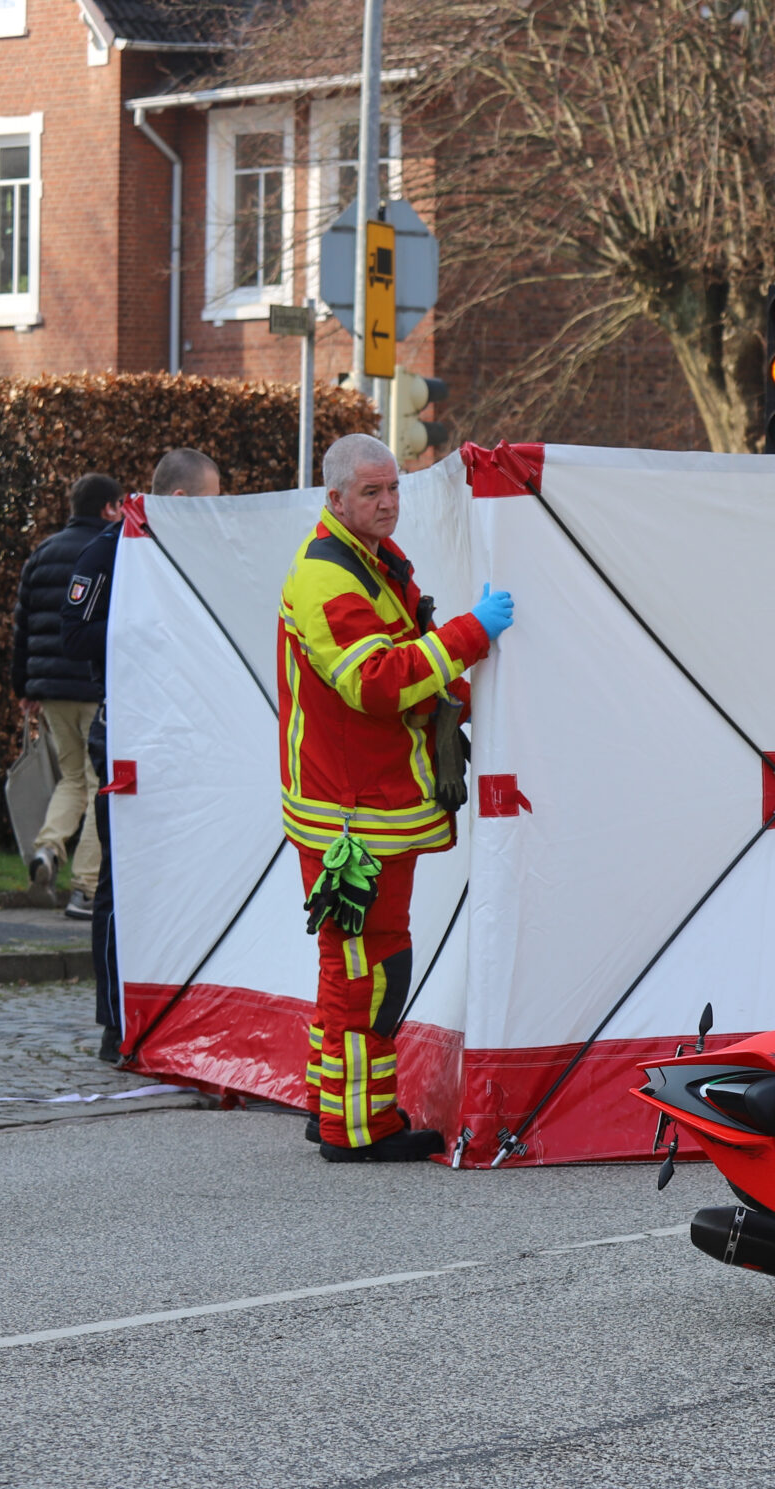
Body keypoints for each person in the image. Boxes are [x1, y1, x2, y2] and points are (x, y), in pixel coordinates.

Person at [281, 433, 517, 1161]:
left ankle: (333, 1103)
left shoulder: (366, 561)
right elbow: (378, 681)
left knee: (351, 961)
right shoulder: (328, 578)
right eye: (371, 493)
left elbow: (402, 666)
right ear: (335, 499)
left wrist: (450, 685)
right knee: (369, 969)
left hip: (360, 807)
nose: (388, 504)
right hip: (353, 817)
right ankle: (359, 1128)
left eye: (392, 490)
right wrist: (471, 635)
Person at [64, 448, 223, 1061]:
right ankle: (116, 1020)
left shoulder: (200, 556)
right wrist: (143, 626)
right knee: (122, 878)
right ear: (181, 503)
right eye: (210, 503)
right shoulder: (109, 549)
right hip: (129, 732)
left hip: (190, 733)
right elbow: (74, 633)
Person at [13, 473, 120, 919]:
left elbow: (22, 624)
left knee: (72, 778)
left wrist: (24, 687)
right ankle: (85, 889)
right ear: (109, 508)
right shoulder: (115, 550)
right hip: (95, 687)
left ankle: (47, 850)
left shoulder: (42, 552)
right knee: (99, 784)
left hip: (50, 690)